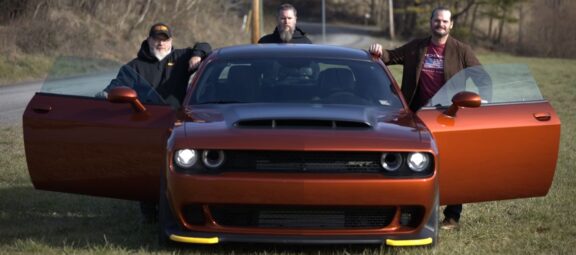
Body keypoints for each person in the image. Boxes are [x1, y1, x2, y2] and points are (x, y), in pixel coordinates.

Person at [369, 7, 490, 230]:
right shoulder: (417, 46)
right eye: (437, 20)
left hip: (449, 117)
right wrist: (378, 51)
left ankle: (452, 216)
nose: (441, 24)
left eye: (445, 21)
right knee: (416, 164)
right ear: (431, 22)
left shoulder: (462, 50)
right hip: (416, 117)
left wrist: (483, 104)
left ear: (451, 25)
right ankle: (410, 211)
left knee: (453, 165)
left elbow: (483, 78)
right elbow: (391, 56)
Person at [105, 22, 212, 109]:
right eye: (156, 39)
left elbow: (204, 46)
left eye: (165, 40)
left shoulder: (181, 58)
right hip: (146, 118)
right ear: (149, 40)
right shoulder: (134, 66)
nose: (161, 43)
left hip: (177, 118)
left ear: (170, 41)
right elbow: (118, 86)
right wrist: (106, 94)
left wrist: (197, 55)